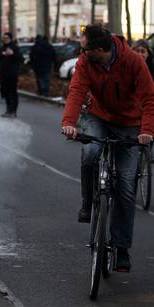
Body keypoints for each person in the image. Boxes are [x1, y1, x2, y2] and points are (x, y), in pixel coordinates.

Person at [61, 24, 154, 272]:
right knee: (90, 153)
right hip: (98, 116)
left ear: (100, 49)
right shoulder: (85, 62)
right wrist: (69, 123)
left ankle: (122, 248)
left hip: (129, 123)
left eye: (85, 48)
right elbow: (77, 91)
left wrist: (146, 130)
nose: (81, 52)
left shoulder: (133, 61)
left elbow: (148, 97)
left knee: (125, 185)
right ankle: (87, 203)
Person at [0, 32, 24, 118]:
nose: (5, 39)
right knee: (6, 92)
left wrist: (12, 54)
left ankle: (13, 110)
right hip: (4, 73)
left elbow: (21, 59)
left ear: (10, 39)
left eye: (7, 38)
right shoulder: (2, 48)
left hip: (12, 74)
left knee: (13, 92)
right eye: (4, 38)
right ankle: (8, 109)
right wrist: (2, 54)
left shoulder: (15, 48)